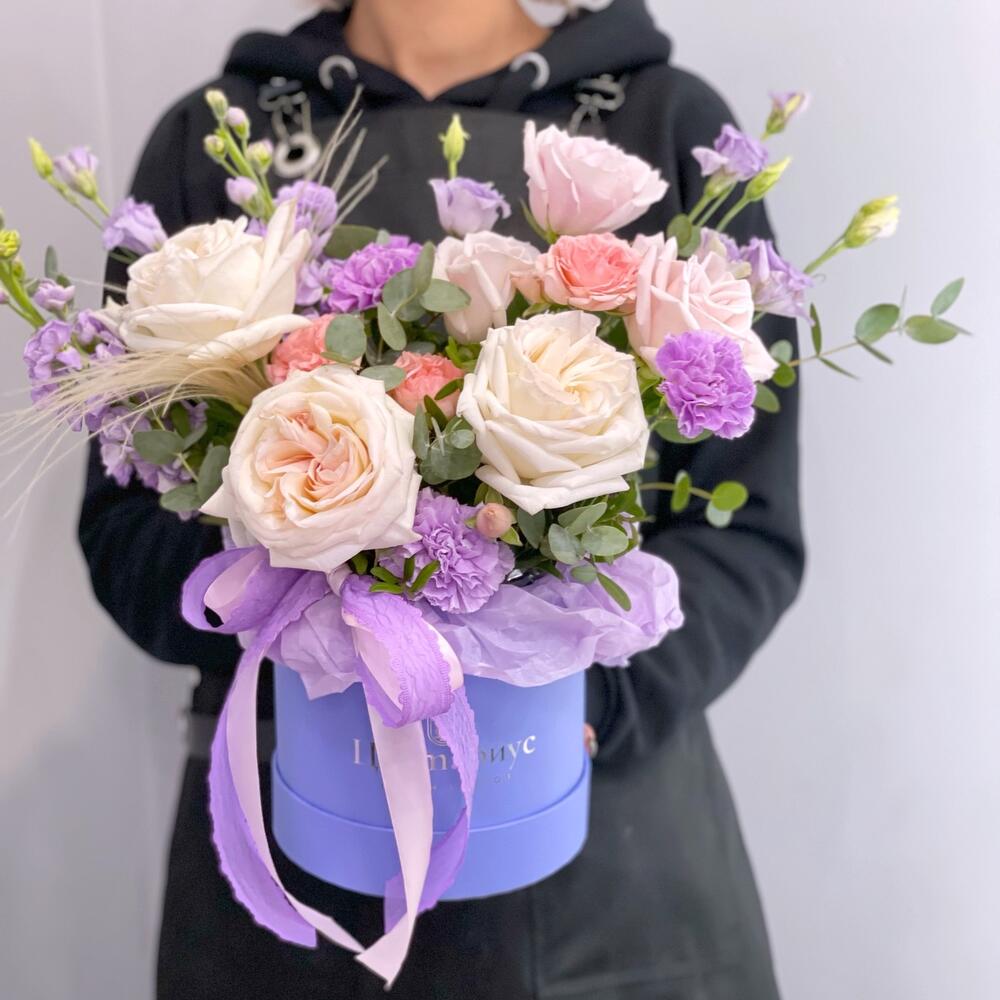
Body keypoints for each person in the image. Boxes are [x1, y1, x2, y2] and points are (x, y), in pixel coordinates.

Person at [78, 1, 804, 997]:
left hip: (610, 875)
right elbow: (123, 525)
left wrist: (587, 694)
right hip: (293, 862)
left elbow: (747, 527)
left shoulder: (664, 125)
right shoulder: (214, 140)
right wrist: (313, 620)